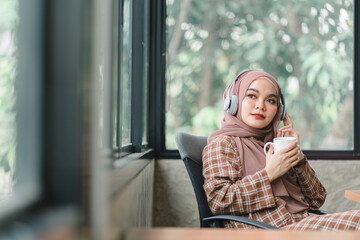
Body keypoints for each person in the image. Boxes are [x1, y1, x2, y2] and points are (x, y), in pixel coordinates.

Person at [202, 70, 360, 230]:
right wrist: (268, 174)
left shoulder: (276, 146)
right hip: (267, 231)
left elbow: (317, 199)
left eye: (270, 100)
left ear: (279, 110)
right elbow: (218, 201)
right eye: (251, 96)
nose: (260, 106)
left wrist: (297, 157)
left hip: (297, 225)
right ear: (233, 102)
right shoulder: (222, 144)